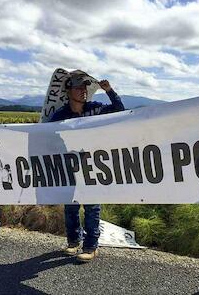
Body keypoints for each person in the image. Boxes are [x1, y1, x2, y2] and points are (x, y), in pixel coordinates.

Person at [47, 73, 124, 262]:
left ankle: (91, 246)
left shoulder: (96, 108)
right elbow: (47, 137)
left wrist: (110, 91)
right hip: (69, 165)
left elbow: (120, 110)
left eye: (85, 89)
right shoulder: (60, 115)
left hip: (93, 165)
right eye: (78, 88)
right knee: (70, 206)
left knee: (92, 207)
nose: (83, 92)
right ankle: (73, 242)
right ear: (69, 91)